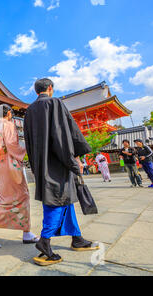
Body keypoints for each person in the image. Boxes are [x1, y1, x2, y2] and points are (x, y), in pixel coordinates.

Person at [24, 78, 99, 266]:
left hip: (42, 163)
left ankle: (77, 238)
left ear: (36, 91)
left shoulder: (29, 111)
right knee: (56, 201)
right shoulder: (55, 103)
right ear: (50, 88)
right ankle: (44, 241)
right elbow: (63, 135)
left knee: (64, 201)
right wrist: (73, 160)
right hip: (58, 162)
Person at [0, 104, 38, 249]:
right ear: (9, 113)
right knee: (20, 196)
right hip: (9, 165)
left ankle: (26, 232)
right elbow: (12, 146)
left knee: (7, 197)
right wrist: (27, 149)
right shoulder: (8, 125)